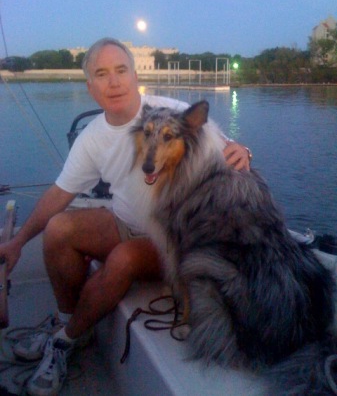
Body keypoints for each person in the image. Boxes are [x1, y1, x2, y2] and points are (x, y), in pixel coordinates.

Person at [0, 38, 252, 396]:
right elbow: (58, 194)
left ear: (135, 77)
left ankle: (64, 342)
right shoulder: (92, 138)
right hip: (123, 222)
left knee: (120, 260)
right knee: (59, 228)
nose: (114, 82)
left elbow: (229, 152)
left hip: (171, 240)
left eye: (121, 71)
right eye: (102, 74)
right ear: (90, 88)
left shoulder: (171, 114)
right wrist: (17, 242)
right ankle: (71, 322)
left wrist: (244, 149)